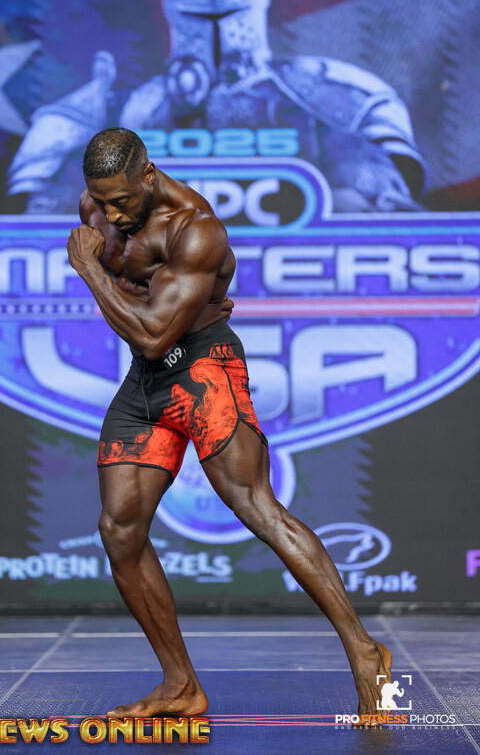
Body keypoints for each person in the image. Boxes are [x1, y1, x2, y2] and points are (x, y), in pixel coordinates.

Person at [66, 126, 391, 726]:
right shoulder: (98, 203)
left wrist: (90, 271)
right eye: (101, 201)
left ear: (148, 174)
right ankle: (181, 685)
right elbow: (143, 320)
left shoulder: (195, 229)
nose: (110, 214)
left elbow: (153, 332)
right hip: (144, 383)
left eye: (122, 201)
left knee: (257, 507)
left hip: (201, 372)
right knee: (119, 530)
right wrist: (132, 287)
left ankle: (365, 650)